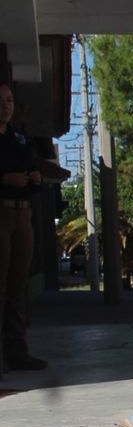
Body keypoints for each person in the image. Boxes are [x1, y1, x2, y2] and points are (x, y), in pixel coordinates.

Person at [0, 83, 47, 375]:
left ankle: (17, 353)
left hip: (23, 217)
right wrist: (7, 179)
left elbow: (32, 164)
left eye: (9, 100)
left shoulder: (19, 138)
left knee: (17, 287)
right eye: (0, 100)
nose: (6, 105)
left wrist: (35, 179)